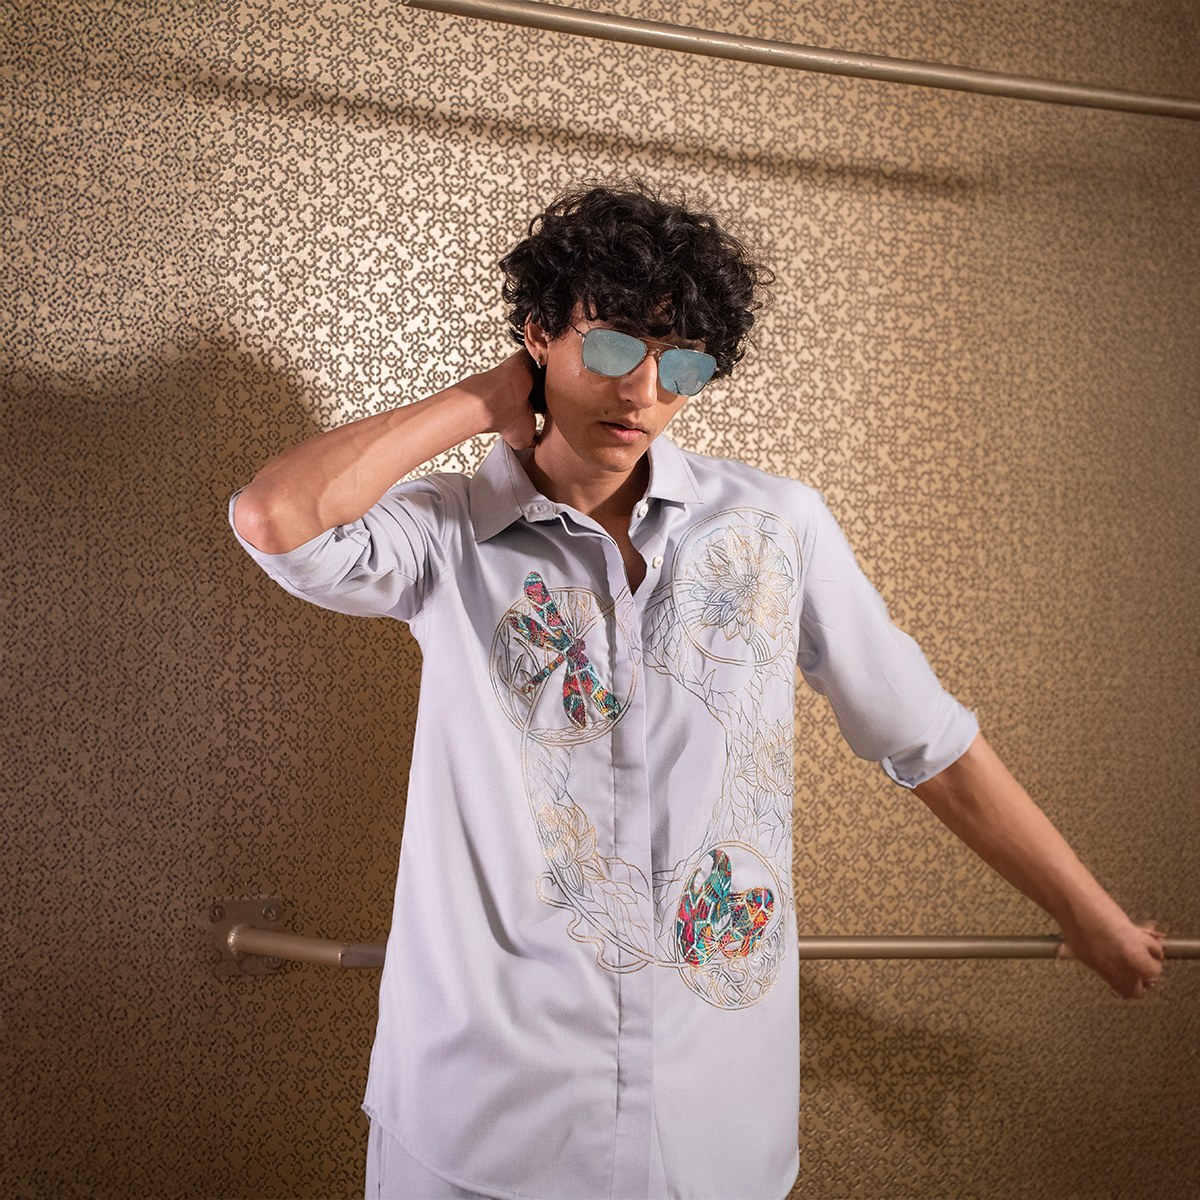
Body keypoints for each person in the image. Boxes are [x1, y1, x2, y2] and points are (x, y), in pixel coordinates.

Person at [230, 181, 1164, 1200]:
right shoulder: (445, 531)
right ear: (539, 335)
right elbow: (276, 518)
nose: (643, 393)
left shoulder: (775, 527)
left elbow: (926, 742)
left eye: (680, 363)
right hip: (478, 1115)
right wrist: (480, 402)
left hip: (710, 1124)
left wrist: (1088, 916)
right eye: (614, 347)